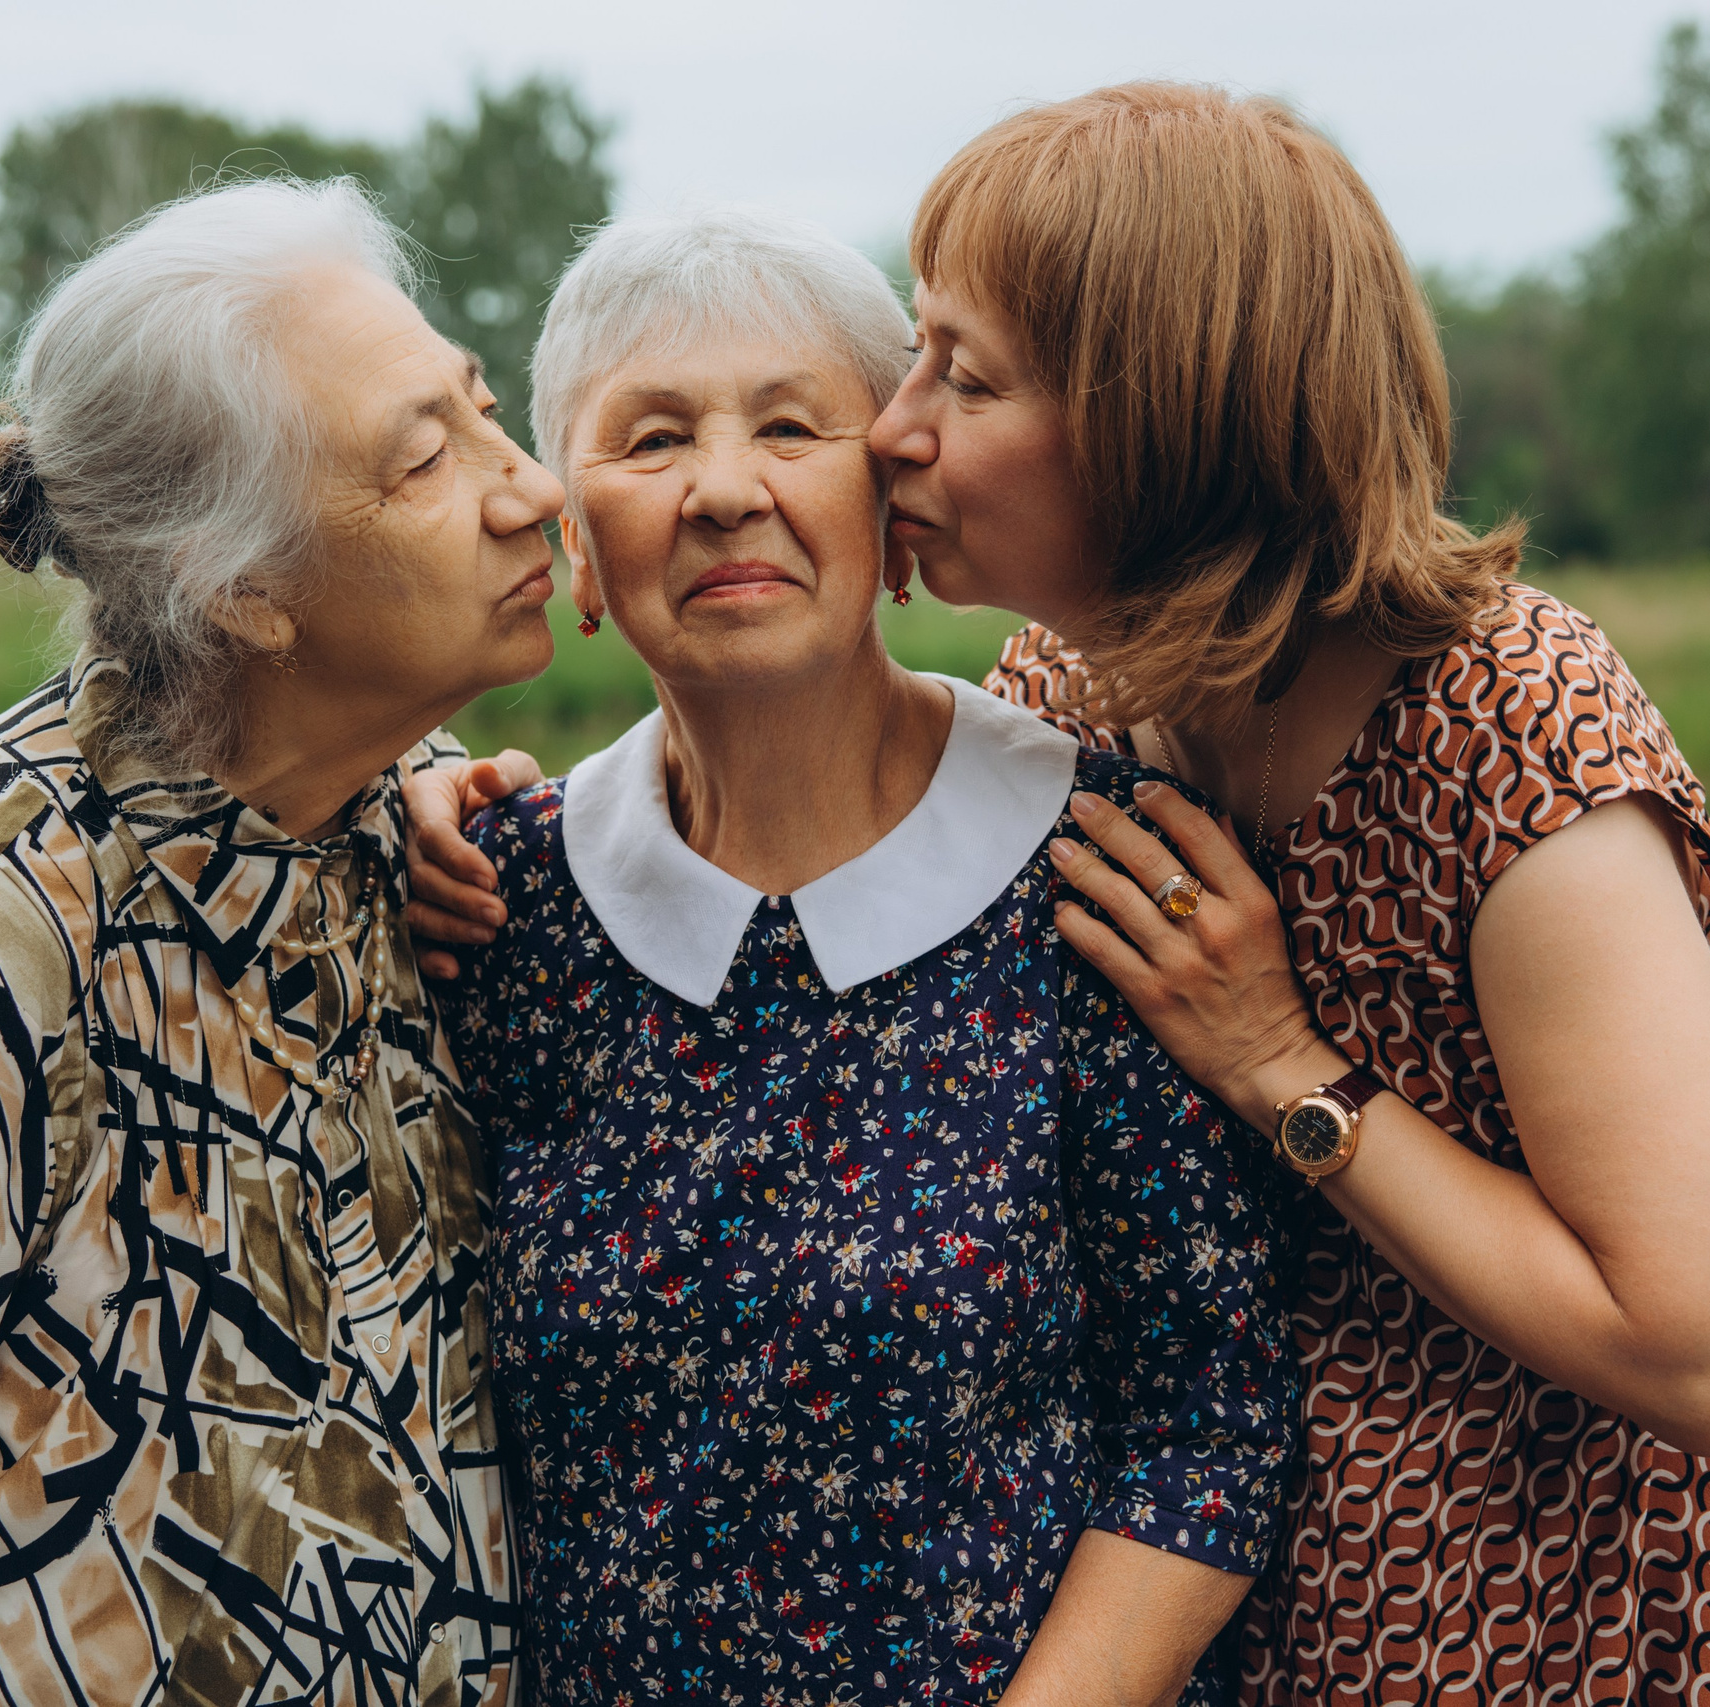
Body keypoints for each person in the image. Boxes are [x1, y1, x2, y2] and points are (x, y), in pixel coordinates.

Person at [865, 83, 1710, 1702]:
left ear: (1159, 416)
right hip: (1354, 1627)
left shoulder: (1501, 718)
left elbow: (1709, 1351)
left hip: (1676, 1619)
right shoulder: (1069, 698)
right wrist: (464, 802)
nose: (896, 422)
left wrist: (1280, 1069)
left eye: (963, 374)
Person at [0, 178, 566, 1707]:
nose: (528, 485)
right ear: (244, 591)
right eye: (425, 460)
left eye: (481, 409)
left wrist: (435, 786)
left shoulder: (394, 813)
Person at [412, 207, 1299, 1707]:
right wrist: (401, 789)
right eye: (648, 441)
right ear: (573, 536)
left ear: (891, 504)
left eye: (790, 426)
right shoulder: (491, 901)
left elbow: (1210, 1429)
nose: (723, 490)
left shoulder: (1098, 865)